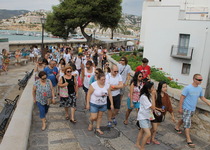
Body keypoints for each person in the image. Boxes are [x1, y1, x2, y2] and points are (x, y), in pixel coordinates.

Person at [175, 74, 210, 148]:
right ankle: (188, 140)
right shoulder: (188, 88)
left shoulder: (200, 89)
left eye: (201, 80)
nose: (200, 81)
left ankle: (177, 126)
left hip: (192, 109)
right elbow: (182, 98)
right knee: (187, 124)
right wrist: (180, 108)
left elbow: (202, 97)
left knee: (185, 119)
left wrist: (207, 102)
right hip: (186, 108)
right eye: (199, 80)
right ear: (194, 79)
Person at [135, 82, 155, 150]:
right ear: (148, 89)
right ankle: (142, 148)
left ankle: (137, 143)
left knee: (142, 131)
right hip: (142, 117)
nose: (153, 89)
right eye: (152, 87)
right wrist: (153, 96)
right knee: (148, 134)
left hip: (147, 116)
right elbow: (153, 107)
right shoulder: (144, 97)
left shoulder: (148, 95)